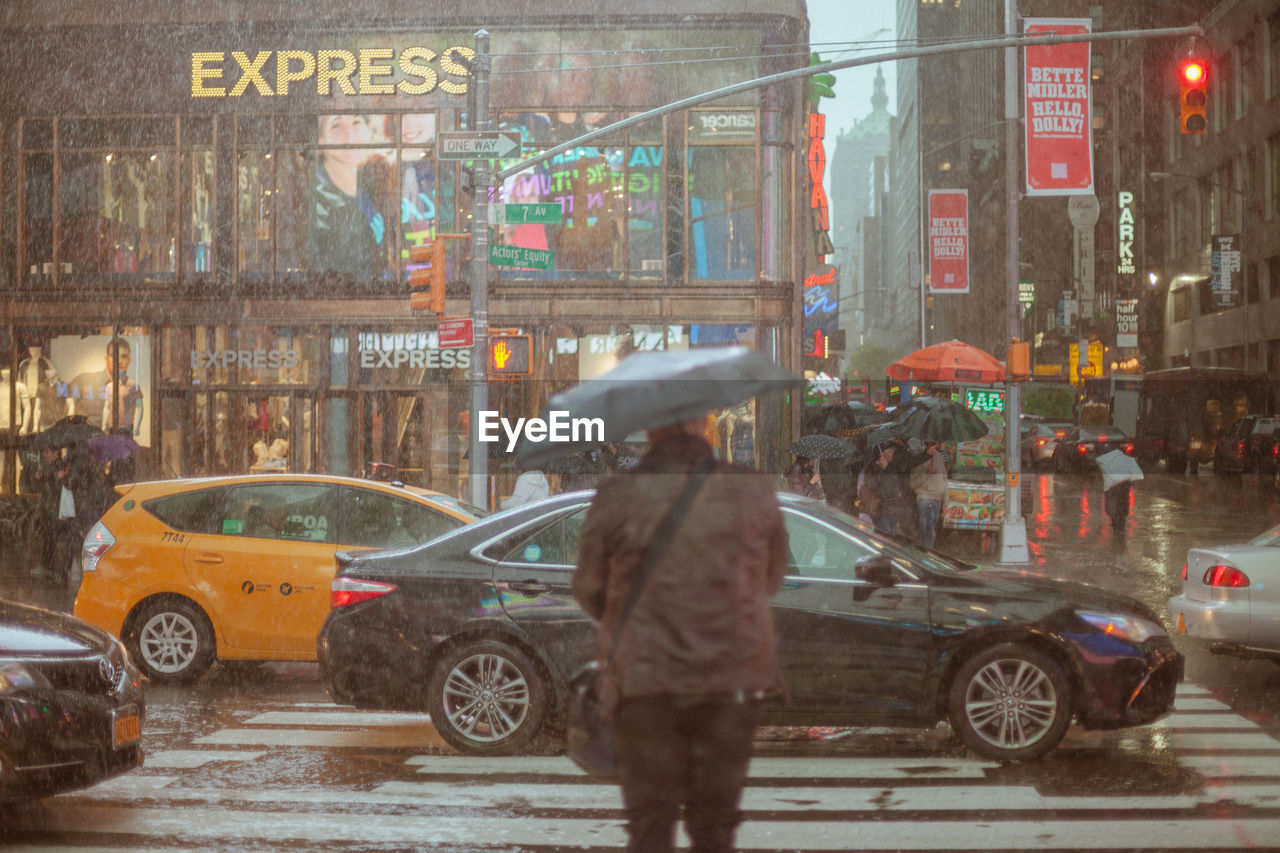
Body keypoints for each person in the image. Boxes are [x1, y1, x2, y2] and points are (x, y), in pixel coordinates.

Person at [573, 417, 788, 853]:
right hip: (729, 684)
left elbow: (589, 588)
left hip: (645, 687)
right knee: (715, 829)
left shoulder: (618, 495)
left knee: (650, 828)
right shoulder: (749, 489)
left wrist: (634, 621)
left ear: (649, 428)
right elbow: (772, 577)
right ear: (703, 423)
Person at [308, 113, 387, 278]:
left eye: (357, 122)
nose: (349, 136)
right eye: (336, 125)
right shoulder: (318, 199)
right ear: (321, 139)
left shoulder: (369, 188)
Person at [859, 441, 908, 536]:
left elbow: (893, 487)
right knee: (885, 539)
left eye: (893, 450)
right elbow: (873, 486)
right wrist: (882, 470)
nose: (892, 453)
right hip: (880, 512)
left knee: (891, 539)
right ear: (882, 453)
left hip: (892, 511)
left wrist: (886, 469)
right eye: (890, 450)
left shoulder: (890, 468)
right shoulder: (872, 468)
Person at [909, 441, 948, 548]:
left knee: (931, 532)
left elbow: (945, 481)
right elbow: (912, 484)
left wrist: (946, 503)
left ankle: (927, 555)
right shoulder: (920, 458)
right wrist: (927, 474)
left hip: (937, 500)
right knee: (926, 532)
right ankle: (924, 558)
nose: (939, 444)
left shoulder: (939, 457)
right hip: (924, 498)